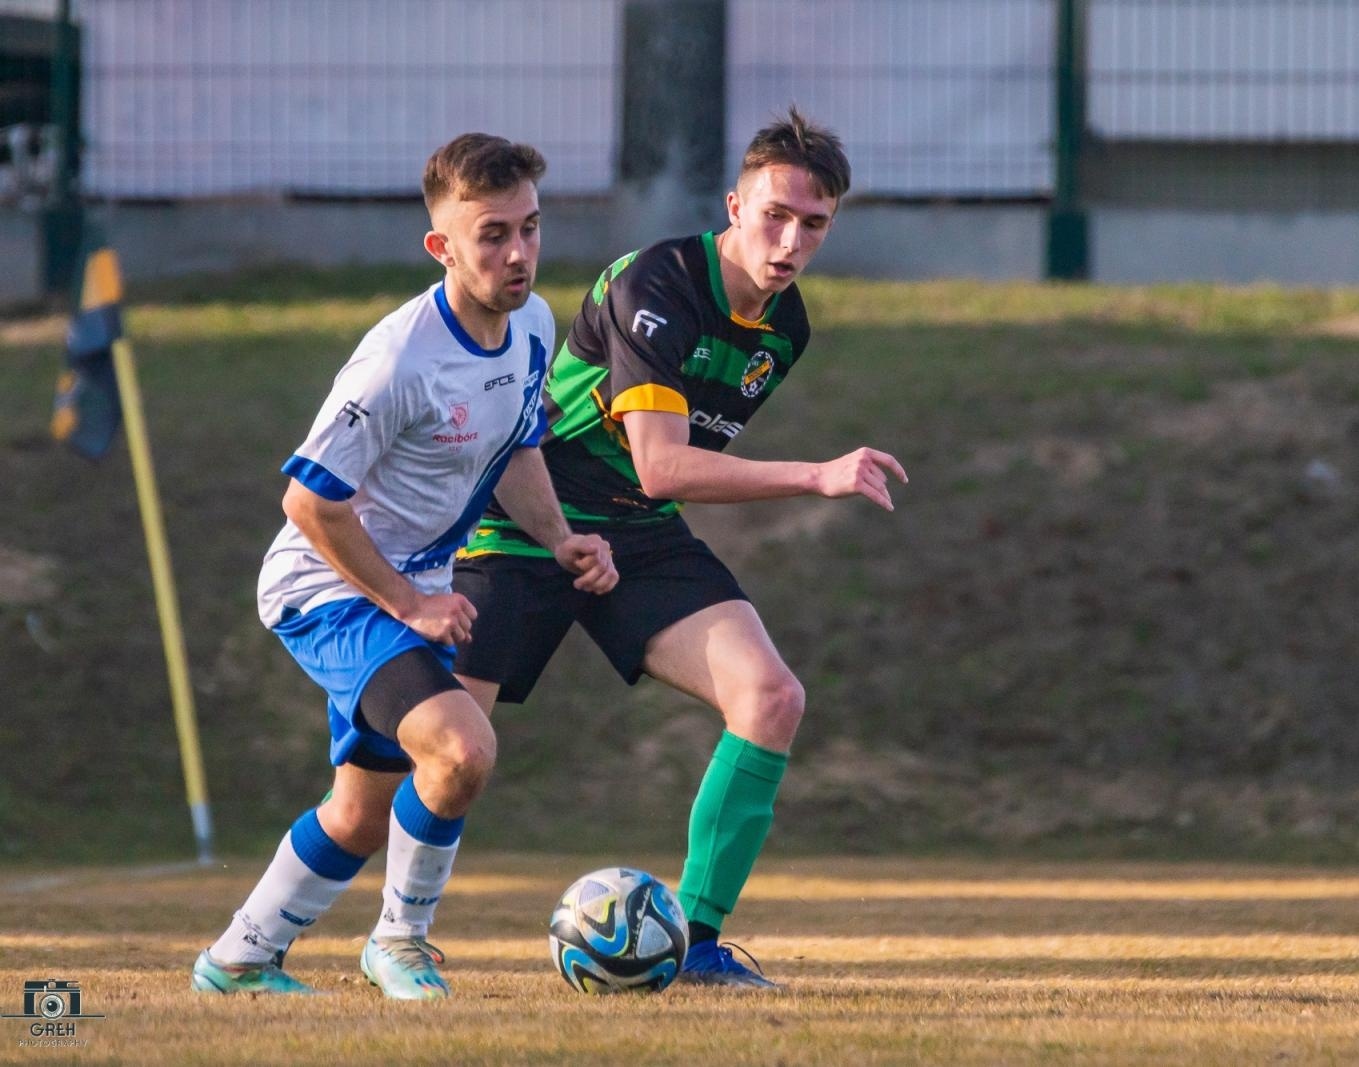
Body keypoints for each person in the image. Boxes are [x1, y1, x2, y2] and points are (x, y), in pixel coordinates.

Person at [452, 107, 907, 990]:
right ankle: (365, 929)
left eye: (813, 224)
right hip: (525, 518)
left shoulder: (785, 329)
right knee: (441, 750)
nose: (790, 240)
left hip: (637, 531)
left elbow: (660, 480)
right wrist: (817, 475)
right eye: (774, 214)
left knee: (771, 697)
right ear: (734, 204)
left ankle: (693, 944)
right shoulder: (657, 280)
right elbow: (664, 464)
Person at [191, 133, 617, 999]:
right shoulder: (398, 360)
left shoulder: (534, 326)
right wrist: (411, 601)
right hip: (325, 587)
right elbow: (309, 503)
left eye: (530, 228)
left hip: (403, 587)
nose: (519, 252)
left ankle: (237, 958)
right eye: (493, 233)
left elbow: (520, 443)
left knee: (359, 811)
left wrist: (560, 536)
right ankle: (400, 941)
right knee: (462, 751)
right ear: (442, 246)